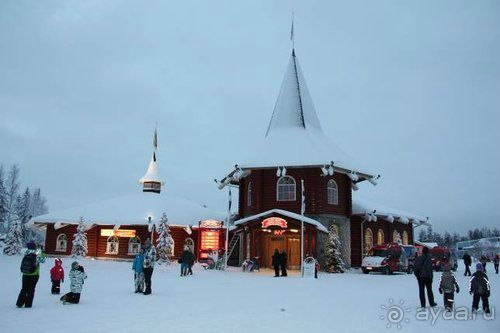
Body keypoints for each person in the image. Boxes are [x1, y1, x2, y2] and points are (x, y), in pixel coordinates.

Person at [16, 241, 46, 308]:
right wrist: (43, 252)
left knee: (24, 289)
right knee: (31, 290)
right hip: (34, 274)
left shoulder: (26, 252)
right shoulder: (36, 253)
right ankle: (28, 304)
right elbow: (42, 260)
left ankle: (19, 303)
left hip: (25, 273)